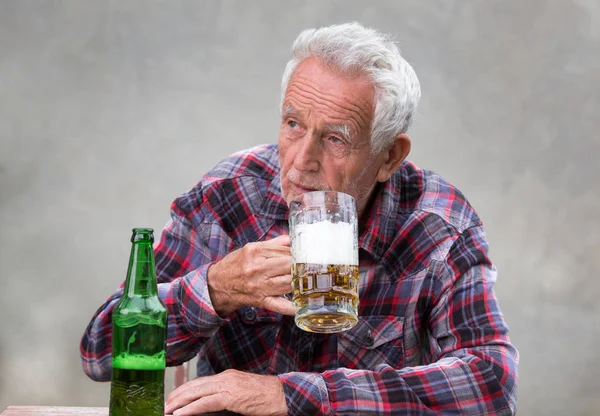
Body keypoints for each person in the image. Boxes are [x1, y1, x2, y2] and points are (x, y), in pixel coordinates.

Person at [81, 22, 519, 415]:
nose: (301, 162)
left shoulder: (438, 225)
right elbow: (99, 351)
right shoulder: (230, 194)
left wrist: (293, 396)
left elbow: (491, 386)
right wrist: (215, 289)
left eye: (335, 138)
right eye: (293, 124)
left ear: (389, 157)